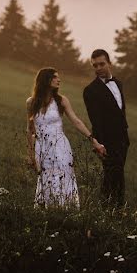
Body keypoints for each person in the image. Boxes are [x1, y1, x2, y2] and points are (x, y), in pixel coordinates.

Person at [27, 67, 106, 208]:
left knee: (62, 178)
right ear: (46, 80)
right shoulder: (31, 103)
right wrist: (31, 155)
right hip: (42, 148)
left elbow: (76, 121)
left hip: (60, 147)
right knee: (45, 179)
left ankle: (64, 212)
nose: (59, 80)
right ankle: (47, 213)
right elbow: (30, 129)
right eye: (55, 77)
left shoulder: (61, 101)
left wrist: (93, 140)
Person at [82, 49, 129, 206]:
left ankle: (114, 211)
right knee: (112, 177)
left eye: (102, 64)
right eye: (95, 65)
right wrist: (99, 144)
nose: (98, 68)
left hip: (123, 140)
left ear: (110, 63)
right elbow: (95, 120)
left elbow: (120, 112)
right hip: (106, 142)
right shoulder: (90, 91)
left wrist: (125, 138)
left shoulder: (119, 84)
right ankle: (110, 211)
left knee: (117, 176)